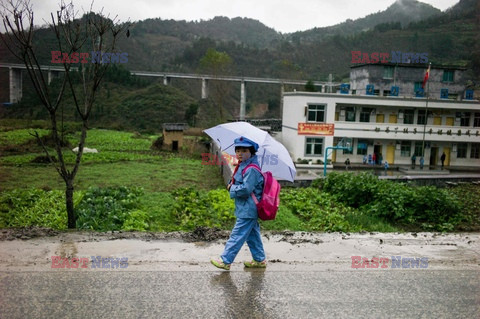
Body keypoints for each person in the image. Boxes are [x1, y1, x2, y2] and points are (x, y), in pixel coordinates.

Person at [211, 136, 266, 270]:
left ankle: (225, 260)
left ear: (252, 152)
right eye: (238, 150)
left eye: (244, 150)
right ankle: (259, 260)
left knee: (237, 234)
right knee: (252, 235)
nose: (240, 153)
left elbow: (246, 189)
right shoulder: (243, 166)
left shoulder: (251, 169)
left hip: (248, 208)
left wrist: (232, 188)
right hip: (246, 207)